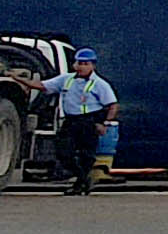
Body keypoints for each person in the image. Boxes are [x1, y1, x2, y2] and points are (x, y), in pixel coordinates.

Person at [49, 49, 118, 194]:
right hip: (71, 120)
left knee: (87, 155)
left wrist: (104, 123)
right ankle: (83, 179)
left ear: (93, 65)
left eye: (85, 64)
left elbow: (112, 105)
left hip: (89, 121)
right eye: (79, 63)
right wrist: (17, 79)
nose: (81, 66)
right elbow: (43, 86)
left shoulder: (100, 84)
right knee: (63, 152)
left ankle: (80, 185)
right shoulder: (66, 79)